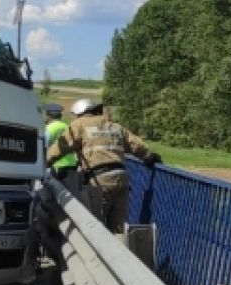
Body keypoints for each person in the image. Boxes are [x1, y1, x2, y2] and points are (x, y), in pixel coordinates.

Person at [45, 98, 160, 233]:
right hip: (121, 178)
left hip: (99, 181)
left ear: (81, 112)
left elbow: (60, 147)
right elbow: (136, 145)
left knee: (95, 227)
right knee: (118, 229)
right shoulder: (114, 126)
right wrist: (149, 157)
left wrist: (44, 162)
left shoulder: (79, 125)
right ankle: (117, 252)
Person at [43, 103, 78, 181]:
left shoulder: (49, 128)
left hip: (56, 165)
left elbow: (43, 145)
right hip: (72, 164)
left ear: (48, 116)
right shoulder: (68, 126)